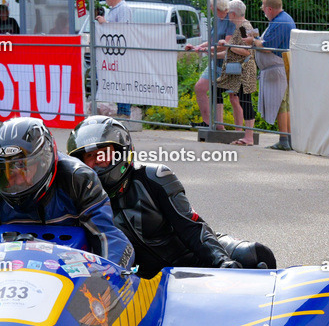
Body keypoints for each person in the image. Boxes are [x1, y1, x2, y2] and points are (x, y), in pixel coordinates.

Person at [67, 115, 276, 279]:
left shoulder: (154, 177)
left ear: (122, 152)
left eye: (102, 154)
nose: (95, 163)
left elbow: (192, 227)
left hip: (192, 260)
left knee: (256, 255)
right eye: (89, 157)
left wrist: (222, 262)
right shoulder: (79, 197)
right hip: (141, 276)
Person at [0, 117, 135, 268]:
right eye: (7, 172)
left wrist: (105, 278)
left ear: (44, 160)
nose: (17, 181)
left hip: (76, 276)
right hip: (13, 276)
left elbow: (108, 237)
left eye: (23, 167)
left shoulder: (78, 179)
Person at [184, 0, 240, 130]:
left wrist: (207, 49)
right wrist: (198, 47)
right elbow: (211, 41)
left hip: (228, 64)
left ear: (216, 6)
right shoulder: (216, 19)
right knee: (200, 88)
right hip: (215, 62)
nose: (209, 8)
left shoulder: (230, 19)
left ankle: (236, 129)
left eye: (210, 5)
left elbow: (225, 44)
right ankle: (209, 123)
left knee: (232, 97)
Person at [252, 0, 296, 151]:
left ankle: (284, 139)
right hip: (279, 69)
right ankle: (287, 138)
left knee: (281, 105)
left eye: (263, 7)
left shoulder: (280, 22)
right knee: (283, 104)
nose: (263, 10)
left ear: (269, 9)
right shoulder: (283, 19)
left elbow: (266, 47)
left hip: (277, 70)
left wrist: (253, 41)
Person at [216, 0, 258, 146]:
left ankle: (248, 137)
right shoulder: (243, 26)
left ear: (233, 13)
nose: (227, 15)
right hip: (239, 70)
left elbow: (247, 51)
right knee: (219, 89)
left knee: (245, 101)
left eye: (229, 13)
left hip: (244, 70)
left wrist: (228, 45)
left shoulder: (244, 27)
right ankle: (220, 125)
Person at [95, 0, 132, 118]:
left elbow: (123, 29)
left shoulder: (123, 9)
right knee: (117, 81)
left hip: (120, 52)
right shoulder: (114, 9)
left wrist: (105, 23)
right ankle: (121, 111)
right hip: (114, 52)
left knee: (122, 80)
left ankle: (125, 113)